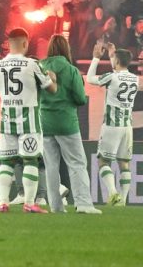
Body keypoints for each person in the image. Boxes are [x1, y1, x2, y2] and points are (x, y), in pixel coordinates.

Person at [0, 27, 57, 213]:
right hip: (28, 119)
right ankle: (29, 203)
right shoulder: (31, 64)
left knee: (6, 162)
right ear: (25, 43)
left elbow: (0, 90)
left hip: (6, 119)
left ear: (8, 44)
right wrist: (51, 77)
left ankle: (3, 202)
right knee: (30, 161)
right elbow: (51, 89)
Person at [39, 34, 99, 214]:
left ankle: (56, 206)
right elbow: (81, 99)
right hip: (67, 123)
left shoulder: (40, 67)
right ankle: (83, 204)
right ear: (67, 49)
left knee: (50, 166)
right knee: (77, 163)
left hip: (45, 122)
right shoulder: (71, 70)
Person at [86, 42, 139, 206]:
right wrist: (112, 54)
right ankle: (122, 200)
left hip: (111, 125)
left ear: (116, 62)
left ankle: (113, 193)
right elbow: (119, 72)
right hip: (127, 127)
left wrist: (95, 58)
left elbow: (89, 79)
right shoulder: (135, 79)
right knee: (124, 163)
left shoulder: (112, 76)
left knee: (103, 161)